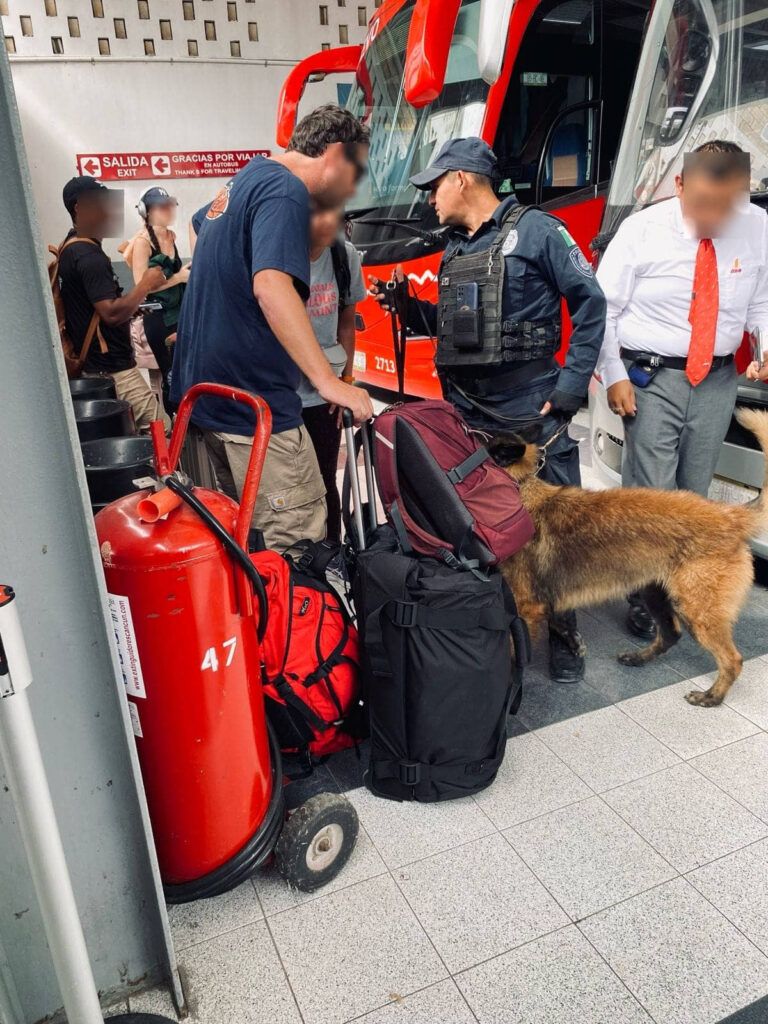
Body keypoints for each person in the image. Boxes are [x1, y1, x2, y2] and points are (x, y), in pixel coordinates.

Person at [369, 137, 607, 684]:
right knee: (482, 524)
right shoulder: (455, 248)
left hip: (531, 413)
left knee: (552, 529)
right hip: (467, 417)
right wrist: (414, 311)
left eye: (434, 185)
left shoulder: (540, 231)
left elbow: (591, 301)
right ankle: (498, 624)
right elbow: (468, 330)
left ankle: (567, 635)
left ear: (462, 179)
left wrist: (573, 384)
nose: (429, 198)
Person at [171, 104, 373, 553]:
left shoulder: (244, 180)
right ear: (337, 154)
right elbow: (271, 285)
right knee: (296, 552)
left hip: (210, 405)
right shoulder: (286, 190)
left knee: (242, 551)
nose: (353, 188)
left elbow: (201, 225)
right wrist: (328, 382)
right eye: (356, 170)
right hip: (255, 411)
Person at [596, 140, 768, 638]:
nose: (714, 216)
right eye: (703, 203)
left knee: (693, 495)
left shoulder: (756, 225)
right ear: (679, 185)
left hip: (716, 379)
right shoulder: (641, 231)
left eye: (726, 205)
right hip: (652, 379)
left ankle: (684, 588)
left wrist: (763, 344)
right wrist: (615, 375)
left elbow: (760, 299)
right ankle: (643, 597)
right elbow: (603, 310)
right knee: (650, 497)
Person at [59, 176, 166, 430]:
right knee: (163, 430)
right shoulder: (88, 256)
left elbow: (96, 306)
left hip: (96, 368)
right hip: (113, 371)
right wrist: (145, 285)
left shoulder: (70, 247)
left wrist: (129, 304)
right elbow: (110, 313)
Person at [299, 206, 366, 543]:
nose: (329, 226)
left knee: (325, 477)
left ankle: (331, 551)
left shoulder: (344, 256)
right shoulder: (280, 254)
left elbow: (346, 324)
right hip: (282, 388)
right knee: (292, 483)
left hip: (325, 392)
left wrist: (346, 383)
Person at [127, 186, 190, 413]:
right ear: (147, 211)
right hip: (159, 317)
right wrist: (179, 277)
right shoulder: (143, 242)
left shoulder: (170, 236)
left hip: (180, 312)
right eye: (161, 207)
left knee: (187, 370)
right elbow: (141, 287)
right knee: (171, 374)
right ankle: (176, 421)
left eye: (169, 204)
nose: (168, 210)